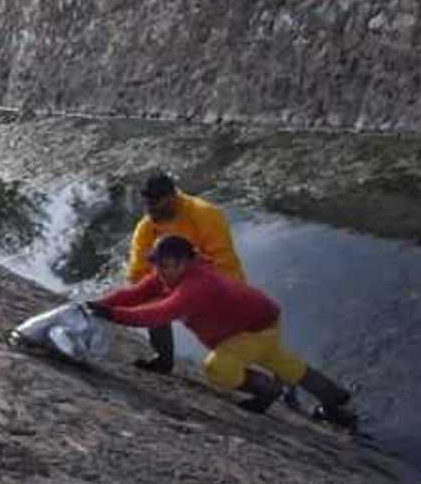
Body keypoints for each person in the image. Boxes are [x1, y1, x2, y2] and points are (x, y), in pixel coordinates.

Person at [87, 236, 356, 426]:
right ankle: (336, 400)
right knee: (281, 361)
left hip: (252, 330)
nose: (159, 271)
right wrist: (96, 305)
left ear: (184, 262)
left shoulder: (196, 286)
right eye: (156, 264)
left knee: (219, 368)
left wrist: (110, 314)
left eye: (166, 265)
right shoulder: (170, 274)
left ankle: (268, 390)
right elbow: (134, 294)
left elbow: (157, 314)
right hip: (259, 321)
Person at [124, 172, 245, 374]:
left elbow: (222, 262)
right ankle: (163, 360)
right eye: (147, 202)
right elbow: (137, 270)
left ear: (172, 197)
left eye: (155, 201)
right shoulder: (146, 227)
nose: (150, 207)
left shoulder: (206, 215)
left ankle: (276, 383)